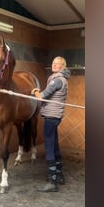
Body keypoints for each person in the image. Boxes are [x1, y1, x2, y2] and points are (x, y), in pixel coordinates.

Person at [31, 56, 70, 192]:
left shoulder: (57, 80)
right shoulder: (62, 79)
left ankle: (52, 181)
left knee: (49, 147)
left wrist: (35, 91)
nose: (54, 65)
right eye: (53, 63)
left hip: (51, 117)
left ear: (63, 66)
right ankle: (59, 175)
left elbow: (42, 96)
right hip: (55, 116)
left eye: (57, 64)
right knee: (54, 145)